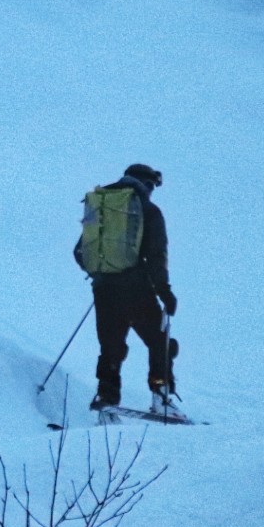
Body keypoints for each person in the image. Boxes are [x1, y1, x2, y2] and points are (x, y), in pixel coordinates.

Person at [73, 163, 177, 412]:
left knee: (111, 345)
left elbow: (79, 252)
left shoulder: (101, 207)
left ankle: (106, 398)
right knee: (158, 341)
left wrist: (103, 272)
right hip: (136, 288)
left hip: (103, 290)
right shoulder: (149, 210)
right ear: (148, 185)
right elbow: (156, 256)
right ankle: (161, 397)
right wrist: (164, 292)